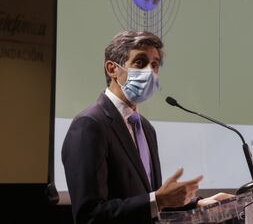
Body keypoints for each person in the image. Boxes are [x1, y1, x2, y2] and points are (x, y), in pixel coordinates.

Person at [62, 31, 230, 224]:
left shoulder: (146, 128)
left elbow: (147, 200)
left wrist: (198, 204)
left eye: (155, 65)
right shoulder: (89, 124)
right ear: (112, 69)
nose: (150, 71)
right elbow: (90, 215)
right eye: (140, 62)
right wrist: (158, 199)